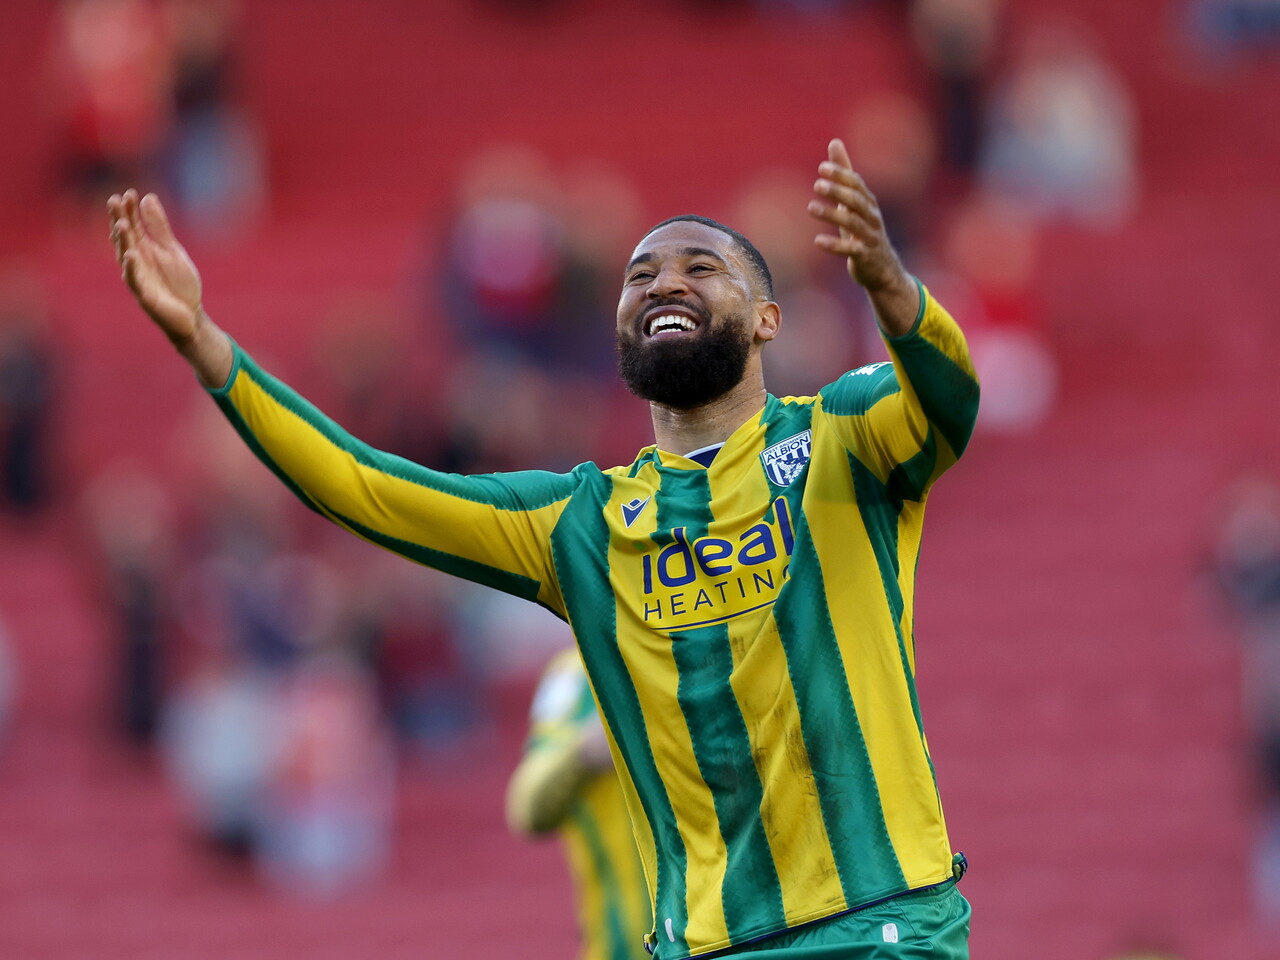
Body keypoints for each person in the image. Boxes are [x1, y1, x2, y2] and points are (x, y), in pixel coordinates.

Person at [108, 137, 980, 959]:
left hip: (878, 923)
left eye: (698, 267)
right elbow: (368, 488)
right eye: (639, 276)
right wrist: (208, 348)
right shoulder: (581, 526)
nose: (662, 283)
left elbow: (951, 402)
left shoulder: (843, 437)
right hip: (708, 943)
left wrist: (895, 292)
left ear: (765, 319)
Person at [507, 649, 651, 960]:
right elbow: (529, 807)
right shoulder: (575, 674)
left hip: (722, 938)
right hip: (620, 947)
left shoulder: (710, 649)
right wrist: (586, 750)